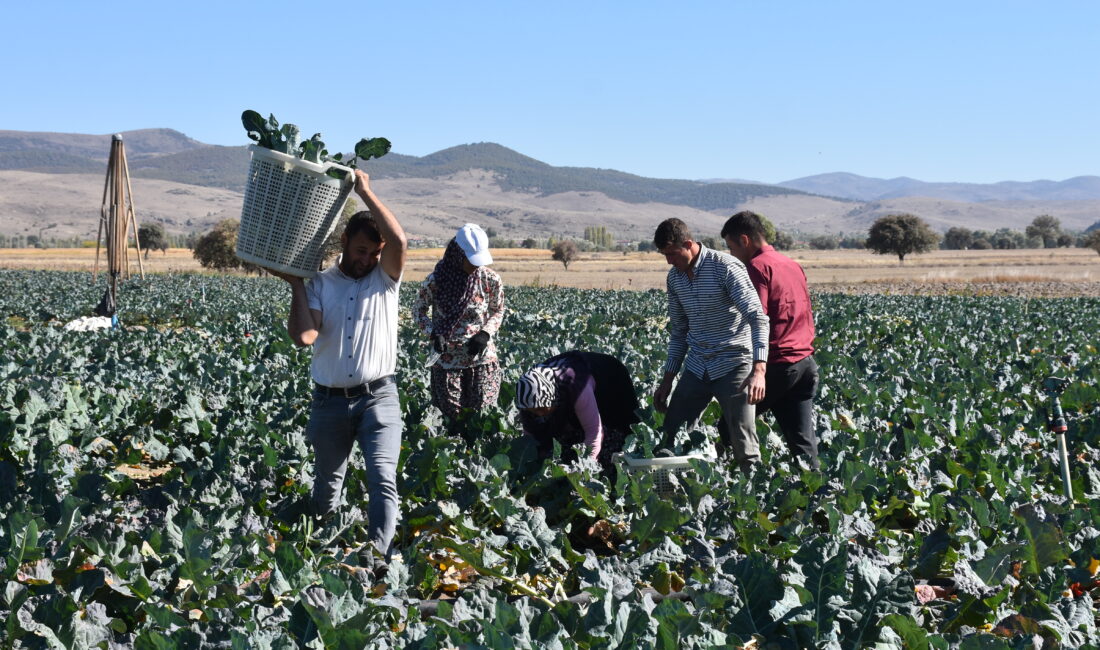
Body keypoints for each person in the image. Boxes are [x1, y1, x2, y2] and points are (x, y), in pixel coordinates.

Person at [268, 169, 407, 576]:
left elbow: (400, 241)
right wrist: (296, 285)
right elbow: (305, 336)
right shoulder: (320, 284)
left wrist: (365, 190)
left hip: (379, 397)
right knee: (327, 487)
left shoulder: (385, 280)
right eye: (361, 250)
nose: (366, 260)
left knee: (383, 477)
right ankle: (328, 553)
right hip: (328, 402)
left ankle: (378, 557)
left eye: (373, 254)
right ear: (344, 242)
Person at [651, 218, 770, 472]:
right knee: (671, 433)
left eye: (672, 253)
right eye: (664, 255)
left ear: (688, 244)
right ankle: (672, 494)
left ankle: (754, 498)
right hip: (697, 364)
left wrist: (759, 371)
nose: (668, 261)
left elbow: (757, 318)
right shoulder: (675, 279)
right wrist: (667, 379)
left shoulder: (725, 267)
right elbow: (679, 331)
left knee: (743, 441)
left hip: (734, 362)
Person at [721, 211, 820, 468]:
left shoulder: (757, 267)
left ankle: (732, 486)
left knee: (728, 426)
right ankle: (816, 497)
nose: (732, 255)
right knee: (802, 443)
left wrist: (757, 371)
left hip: (777, 365)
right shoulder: (791, 264)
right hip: (805, 364)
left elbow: (757, 318)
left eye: (731, 247)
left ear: (745, 240)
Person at [412, 224, 505, 433]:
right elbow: (418, 311)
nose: (475, 266)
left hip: (481, 359)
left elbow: (497, 310)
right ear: (458, 254)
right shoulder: (436, 280)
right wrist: (433, 334)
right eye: (471, 260)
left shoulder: (489, 280)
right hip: (447, 361)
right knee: (450, 418)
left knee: (482, 415)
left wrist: (485, 333)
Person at [515, 351, 641, 472]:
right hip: (567, 389)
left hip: (610, 380)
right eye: (533, 410)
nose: (539, 413)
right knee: (560, 442)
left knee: (614, 443)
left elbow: (594, 433)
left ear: (553, 397)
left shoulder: (576, 384)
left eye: (542, 408)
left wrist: (584, 468)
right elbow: (530, 440)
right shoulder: (528, 395)